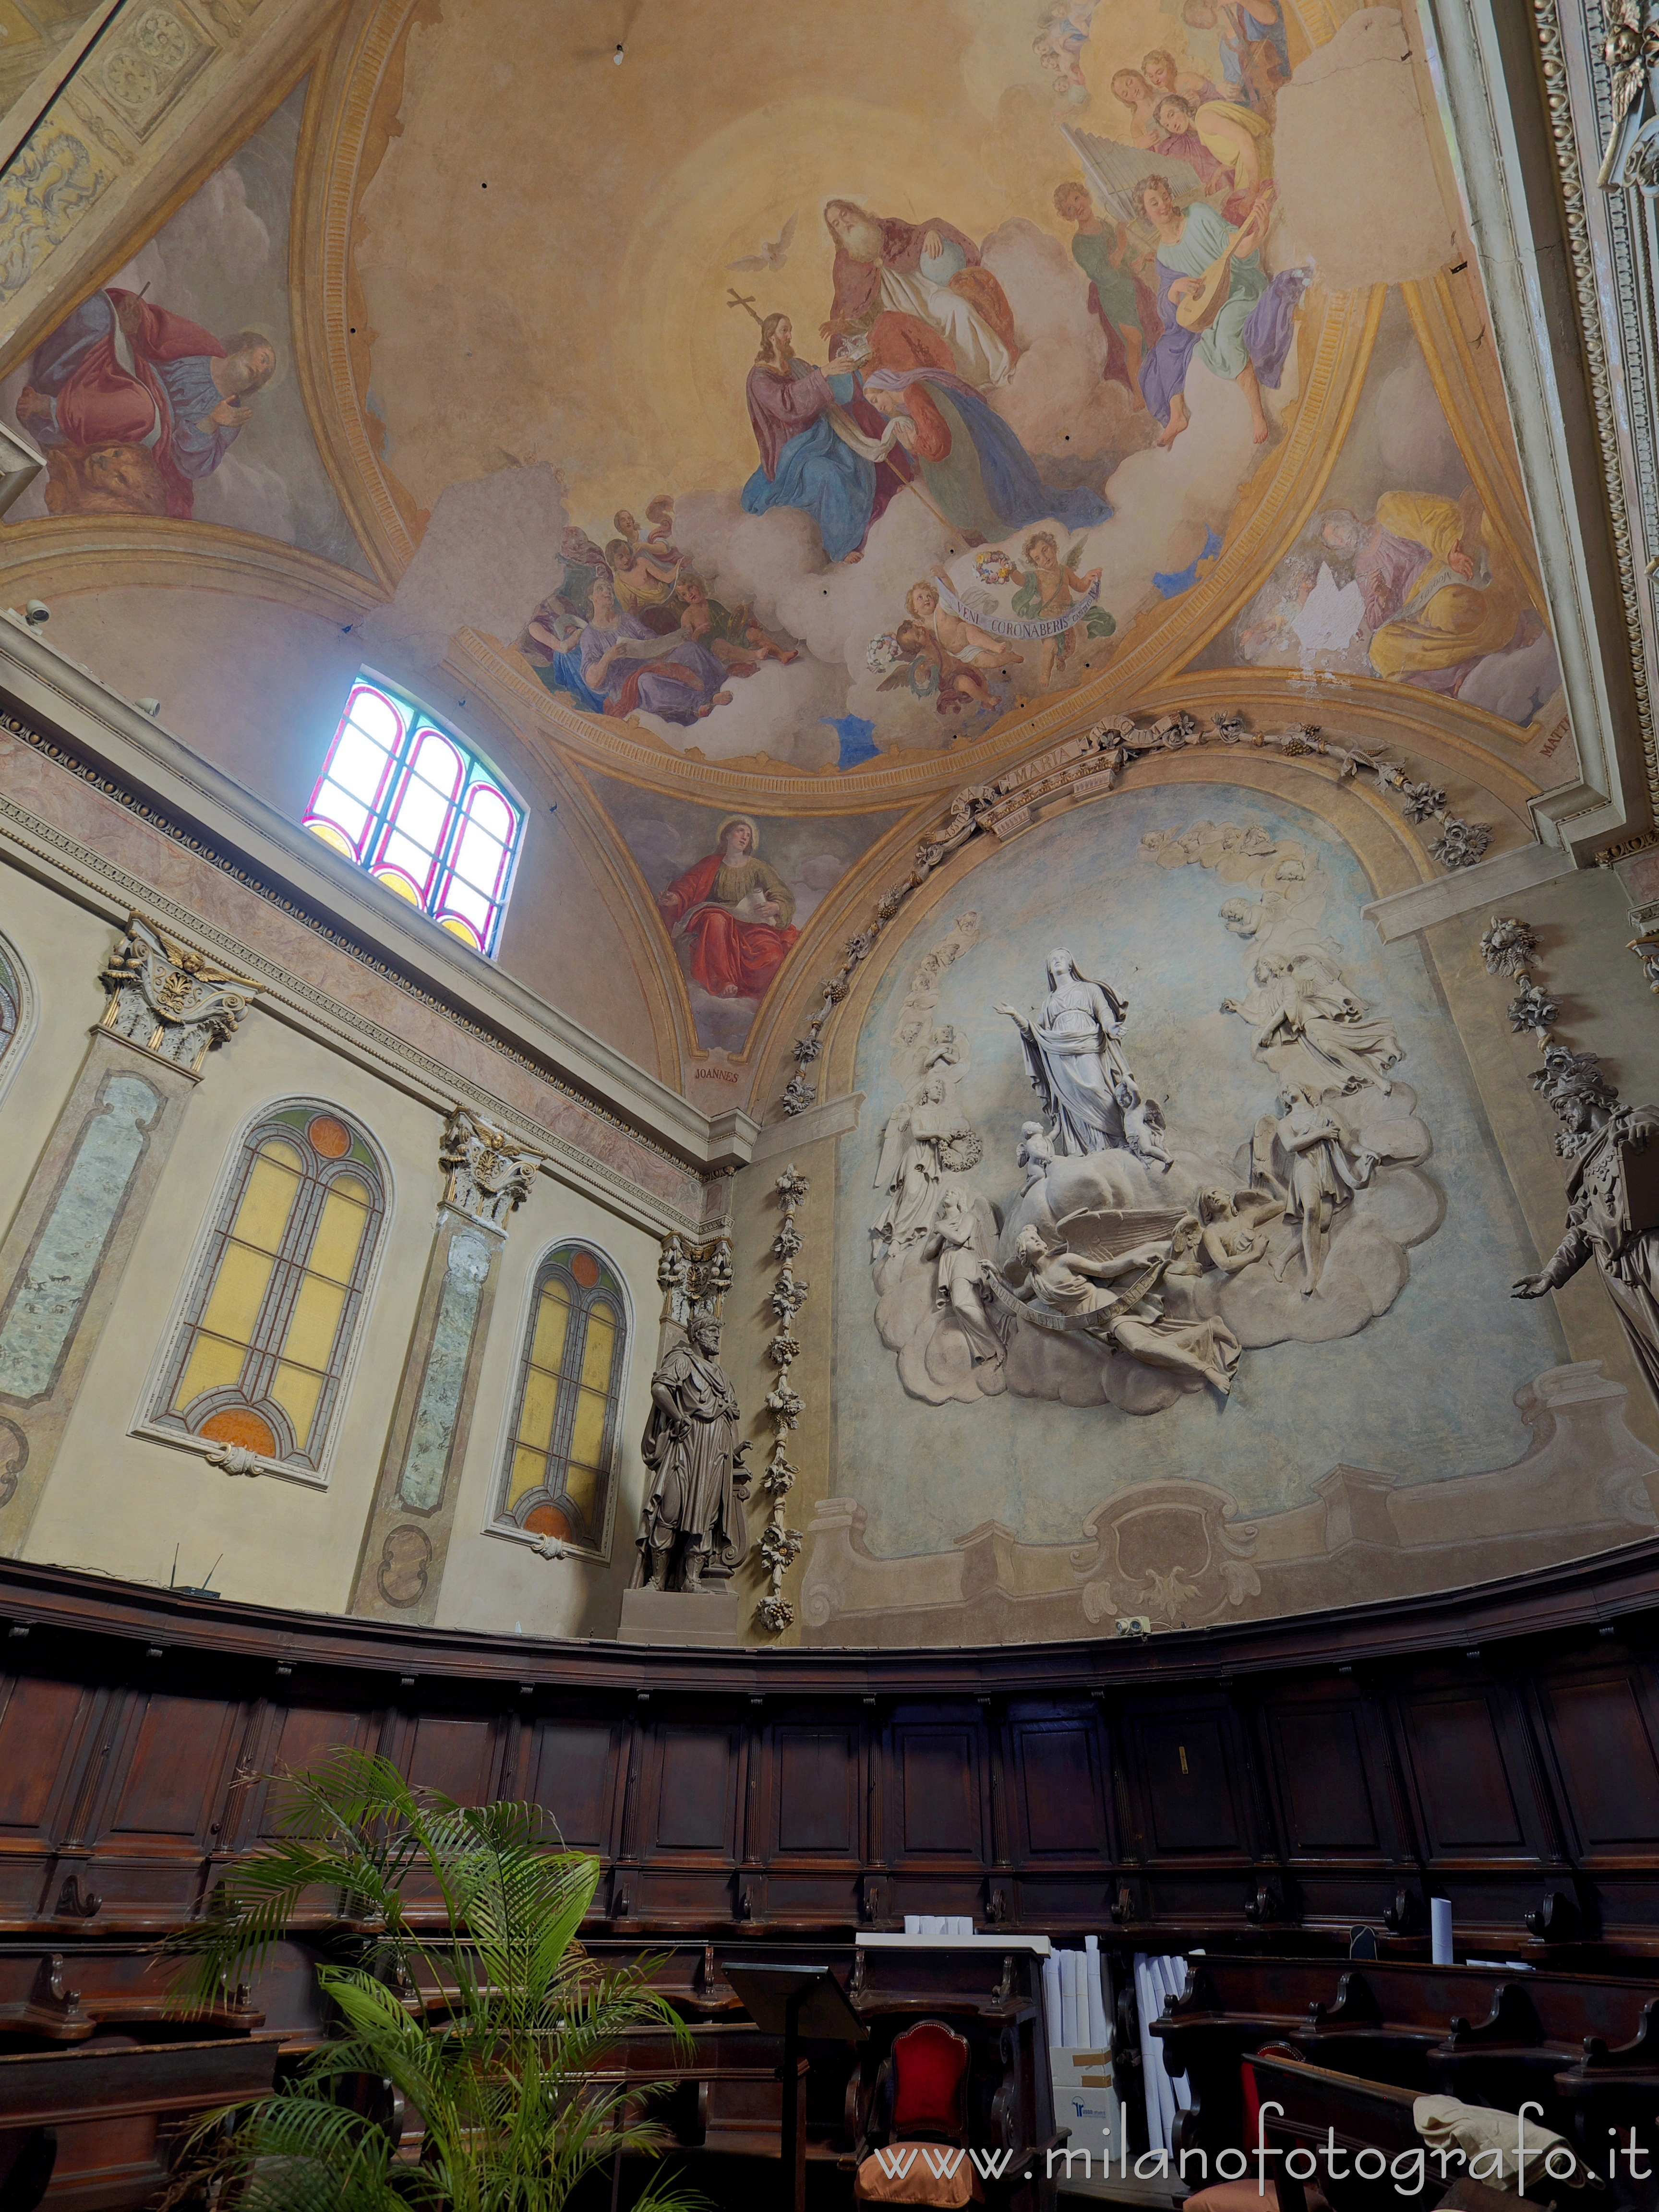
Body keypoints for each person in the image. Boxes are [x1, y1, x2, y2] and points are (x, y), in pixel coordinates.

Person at [17, 286, 276, 519]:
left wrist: (210, 423)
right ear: (244, 347)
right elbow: (157, 332)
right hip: (135, 370)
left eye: (266, 374)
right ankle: (42, 360)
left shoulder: (231, 415)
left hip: (155, 431)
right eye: (264, 360)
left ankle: (50, 411)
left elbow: (191, 467)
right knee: (97, 310)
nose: (262, 371)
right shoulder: (203, 345)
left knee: (139, 408)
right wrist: (135, 323)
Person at [860, 311, 1112, 544]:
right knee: (1023, 500)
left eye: (876, 400)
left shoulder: (914, 394)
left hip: (979, 453)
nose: (878, 407)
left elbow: (939, 444)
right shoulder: (919, 388)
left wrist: (915, 443)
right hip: (984, 440)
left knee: (1010, 516)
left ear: (887, 386)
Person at [1134, 174, 1304, 449]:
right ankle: (1177, 415)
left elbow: (1236, 247)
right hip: (1210, 306)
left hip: (1238, 289)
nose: (1163, 205)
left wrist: (1258, 233)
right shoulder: (1164, 256)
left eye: (1165, 197)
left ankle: (1258, 415)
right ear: (1146, 214)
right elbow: (1168, 308)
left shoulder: (1198, 215)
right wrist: (1176, 288)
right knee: (1192, 345)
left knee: (1225, 336)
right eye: (1154, 203)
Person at [1514, 1094, 1659, 1404]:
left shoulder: (1638, 1119)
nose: (1563, 1116)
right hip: (1617, 1267)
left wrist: (1650, 1134)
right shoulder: (1584, 1170)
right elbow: (1582, 1230)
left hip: (1652, 1241)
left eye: (1564, 1106)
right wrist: (1550, 1274)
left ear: (1587, 1098)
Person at [1317, 494, 1528, 694]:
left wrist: (1449, 551)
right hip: (1413, 613)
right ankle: (1462, 665)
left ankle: (1477, 656)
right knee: (1380, 649)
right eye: (1335, 543)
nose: (1341, 539)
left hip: (1440, 580)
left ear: (1348, 516)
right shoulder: (1362, 567)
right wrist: (1382, 596)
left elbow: (1431, 520)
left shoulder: (1389, 508)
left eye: (1337, 529)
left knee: (1448, 609)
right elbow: (1376, 622)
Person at [741, 312, 906, 565]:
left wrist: (846, 368)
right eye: (784, 331)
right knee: (829, 475)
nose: (789, 336)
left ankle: (866, 523)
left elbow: (821, 381)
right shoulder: (759, 377)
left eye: (790, 330)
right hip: (792, 452)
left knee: (855, 457)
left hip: (819, 436)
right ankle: (841, 546)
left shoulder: (795, 365)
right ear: (771, 336)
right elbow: (788, 403)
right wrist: (824, 374)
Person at [821, 199, 1017, 387]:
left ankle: (999, 372)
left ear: (854, 211)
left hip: (927, 293)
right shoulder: (844, 265)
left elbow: (918, 233)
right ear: (836, 233)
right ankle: (971, 384)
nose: (844, 223)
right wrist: (846, 324)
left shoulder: (886, 228)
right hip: (900, 316)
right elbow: (859, 313)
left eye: (844, 214)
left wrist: (930, 233)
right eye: (836, 223)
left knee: (960, 309)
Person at [633, 1314, 750, 1593]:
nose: (716, 1337)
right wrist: (678, 1417)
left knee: (706, 1518)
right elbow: (660, 1389)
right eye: (711, 1331)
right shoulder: (683, 1360)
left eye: (716, 1332)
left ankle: (692, 1580)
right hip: (686, 1448)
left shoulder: (722, 1376)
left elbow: (728, 1415)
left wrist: (733, 1452)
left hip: (715, 1453)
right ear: (697, 1335)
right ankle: (656, 1580)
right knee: (669, 1511)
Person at [997, 948, 1132, 1156]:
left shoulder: (1089, 989)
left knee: (1098, 1088)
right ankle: (1085, 1150)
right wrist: (1016, 1016)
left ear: (1071, 965)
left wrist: (1110, 1026)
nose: (1058, 962)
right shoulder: (1049, 1002)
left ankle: (1116, 1140)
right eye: (1053, 960)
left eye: (1062, 959)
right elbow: (1037, 1036)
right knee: (1070, 1099)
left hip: (1088, 1043)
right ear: (1050, 970)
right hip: (1058, 1054)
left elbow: (1103, 1010)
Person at [657, 815, 798, 1002]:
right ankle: (722, 981)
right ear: (727, 836)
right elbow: (689, 886)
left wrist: (775, 906)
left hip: (749, 923)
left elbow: (780, 892)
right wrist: (675, 897)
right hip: (715, 913)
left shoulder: (758, 867)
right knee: (716, 920)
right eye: (740, 831)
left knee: (772, 957)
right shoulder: (711, 863)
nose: (744, 837)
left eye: (748, 835)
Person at [1221, 951, 1402, 1094]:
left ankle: (1381, 1063)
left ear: (1269, 966)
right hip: (1303, 1032)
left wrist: (1269, 1030)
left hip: (1309, 1018)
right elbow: (1261, 1019)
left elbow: (1289, 1004)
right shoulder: (1266, 996)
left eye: (1259, 968)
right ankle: (1382, 1046)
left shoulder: (1287, 981)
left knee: (1335, 1047)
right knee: (1339, 1049)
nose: (1257, 973)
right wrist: (1239, 1009)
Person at [577, 575, 732, 725]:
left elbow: (651, 639)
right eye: (601, 588)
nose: (607, 592)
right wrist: (608, 657)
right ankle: (699, 704)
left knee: (689, 649)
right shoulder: (590, 635)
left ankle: (716, 688)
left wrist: (670, 642)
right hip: (629, 684)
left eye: (609, 588)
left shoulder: (625, 619)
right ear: (591, 597)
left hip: (654, 662)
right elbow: (593, 681)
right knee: (647, 681)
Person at [1052, 180, 1157, 400]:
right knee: (1134, 341)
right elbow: (1105, 274)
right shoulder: (1079, 244)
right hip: (1113, 296)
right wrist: (1120, 245)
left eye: (1077, 199)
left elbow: (1127, 259)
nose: (1077, 207)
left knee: (1148, 334)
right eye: (1070, 208)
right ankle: (1139, 395)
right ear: (1068, 216)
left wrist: (1141, 259)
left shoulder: (1105, 224)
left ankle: (1154, 383)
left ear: (1086, 197)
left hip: (1129, 288)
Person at [1272, 1085, 1379, 1295]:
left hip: (1327, 1168)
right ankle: (1313, 1274)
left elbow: (1347, 1143)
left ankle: (1281, 1258)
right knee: (1312, 1209)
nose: (1286, 1090)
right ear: (1284, 1101)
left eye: (1289, 1086)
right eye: (1282, 1092)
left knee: (1322, 1223)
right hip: (1305, 1167)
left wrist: (1365, 1152)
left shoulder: (1326, 1112)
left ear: (1303, 1089)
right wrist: (1321, 1133)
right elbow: (1291, 1146)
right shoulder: (1286, 1122)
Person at [921, 1189, 1011, 1367]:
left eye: (953, 1193)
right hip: (949, 1262)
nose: (947, 1194)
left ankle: (998, 1344)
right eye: (946, 1192)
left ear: (959, 1200)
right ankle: (997, 1337)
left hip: (963, 1258)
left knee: (962, 1303)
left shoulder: (967, 1217)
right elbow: (929, 1253)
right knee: (962, 1305)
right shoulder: (942, 1225)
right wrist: (940, 1232)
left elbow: (960, 1238)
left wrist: (942, 1229)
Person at [1154, 92, 1274, 210]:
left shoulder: (1204, 119)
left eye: (1172, 115)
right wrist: (1219, 171)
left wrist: (1253, 192)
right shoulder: (1200, 127)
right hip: (1256, 157)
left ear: (1182, 108)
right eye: (1167, 125)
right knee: (1229, 205)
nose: (1173, 125)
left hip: (1264, 157)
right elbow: (1238, 151)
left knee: (1238, 211)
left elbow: (1246, 139)